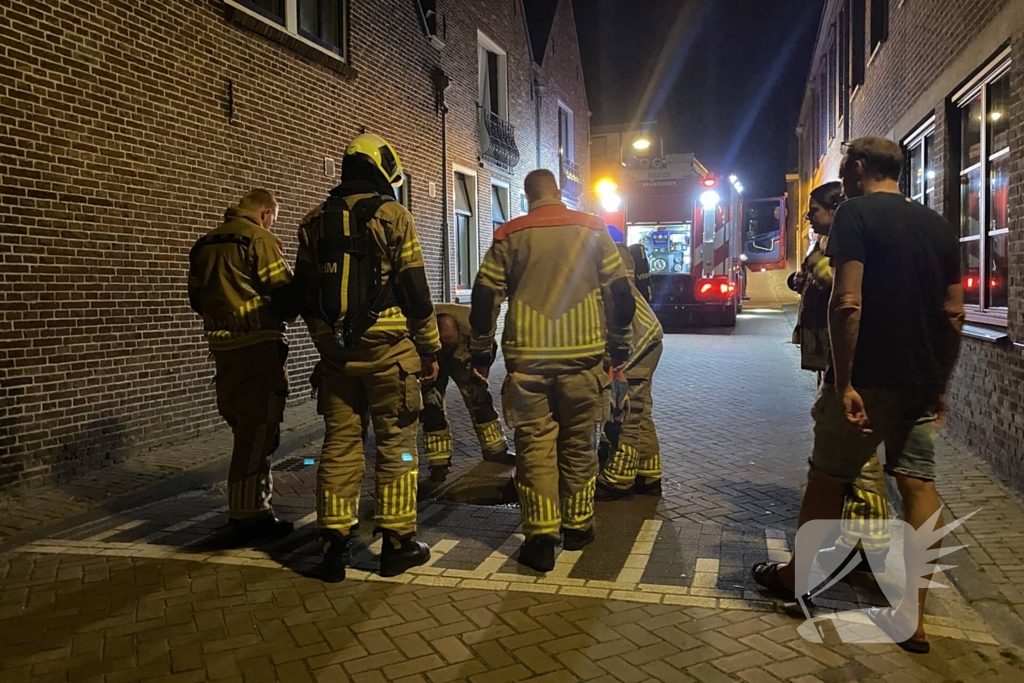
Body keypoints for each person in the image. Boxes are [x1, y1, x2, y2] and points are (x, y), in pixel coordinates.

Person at [751, 137, 964, 654]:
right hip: (920, 377)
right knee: (918, 484)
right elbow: (953, 312)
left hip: (869, 376)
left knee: (827, 476)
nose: (842, 176)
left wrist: (844, 380)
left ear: (861, 166)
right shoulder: (938, 225)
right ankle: (912, 616)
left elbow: (847, 301)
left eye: (846, 167)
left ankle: (796, 579)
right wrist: (940, 381)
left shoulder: (857, 216)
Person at [470, 169, 635, 572]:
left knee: (534, 448)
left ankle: (540, 538)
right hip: (584, 361)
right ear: (559, 193)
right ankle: (578, 527)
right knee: (579, 445)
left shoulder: (509, 235)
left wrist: (480, 351)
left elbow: (484, 297)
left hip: (529, 363)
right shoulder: (594, 229)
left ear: (527, 197)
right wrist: (619, 345)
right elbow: (620, 293)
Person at [295, 133, 441, 583]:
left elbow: (304, 293)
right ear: (381, 170)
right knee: (396, 448)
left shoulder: (313, 220)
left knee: (339, 446)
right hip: (390, 355)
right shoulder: (394, 216)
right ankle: (397, 543)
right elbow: (416, 291)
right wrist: (430, 346)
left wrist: (326, 346)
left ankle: (334, 543)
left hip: (338, 358)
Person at [789, 182, 891, 570]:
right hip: (833, 359)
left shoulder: (847, 245)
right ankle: (863, 534)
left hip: (846, 362)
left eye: (813, 210)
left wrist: (817, 267)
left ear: (835, 210)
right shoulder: (830, 242)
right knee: (849, 447)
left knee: (851, 451)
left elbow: (845, 294)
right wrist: (802, 281)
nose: (809, 217)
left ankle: (870, 541)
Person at [187, 188, 295, 542]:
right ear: (265, 214)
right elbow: (283, 294)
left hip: (222, 350)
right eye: (273, 219)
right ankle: (249, 516)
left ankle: (249, 508)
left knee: (244, 430)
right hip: (257, 348)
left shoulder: (204, 244)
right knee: (260, 431)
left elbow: (195, 298)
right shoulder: (258, 240)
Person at [596, 242, 664, 500]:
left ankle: (618, 479)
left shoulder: (589, 278)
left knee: (625, 413)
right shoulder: (604, 268)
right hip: (649, 339)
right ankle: (648, 473)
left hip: (635, 346)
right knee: (641, 409)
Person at [420, 303, 513, 482]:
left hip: (463, 354)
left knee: (479, 399)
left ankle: (496, 451)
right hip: (432, 355)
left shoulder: (472, 325)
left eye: (450, 342)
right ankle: (438, 462)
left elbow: (488, 347)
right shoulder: (422, 326)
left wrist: (480, 372)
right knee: (432, 405)